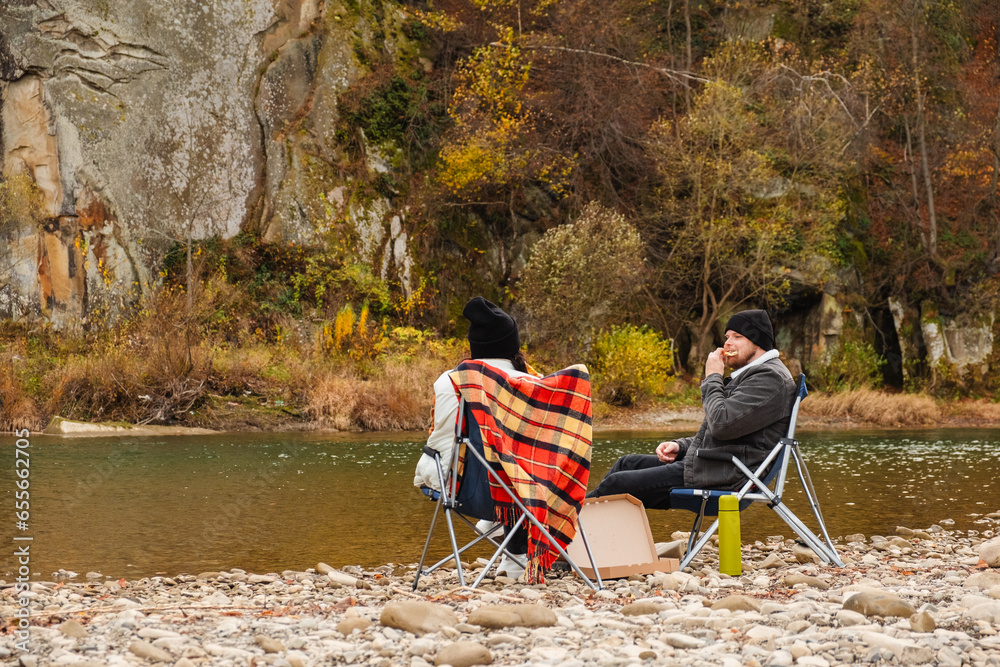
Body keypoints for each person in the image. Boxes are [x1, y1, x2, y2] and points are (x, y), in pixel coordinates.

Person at [588, 309, 796, 507]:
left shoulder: (769, 378)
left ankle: (569, 532)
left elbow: (721, 424)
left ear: (757, 342)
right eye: (727, 336)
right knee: (627, 464)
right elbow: (730, 432)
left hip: (726, 475)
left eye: (737, 337)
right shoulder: (754, 375)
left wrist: (713, 376)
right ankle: (595, 536)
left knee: (618, 485)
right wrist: (682, 446)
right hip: (715, 465)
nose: (727, 343)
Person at [413, 296, 533, 579]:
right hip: (533, 491)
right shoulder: (534, 385)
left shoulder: (451, 382)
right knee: (510, 466)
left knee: (445, 457)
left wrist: (428, 475)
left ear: (475, 346)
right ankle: (513, 550)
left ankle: (495, 521)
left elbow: (442, 443)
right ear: (512, 346)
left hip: (471, 492)